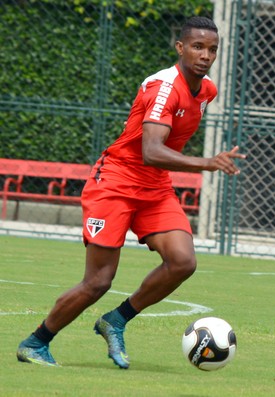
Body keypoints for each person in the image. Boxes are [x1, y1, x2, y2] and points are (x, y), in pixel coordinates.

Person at [17, 16, 246, 369]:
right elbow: (150, 150)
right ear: (180, 47)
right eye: (197, 47)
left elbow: (163, 151)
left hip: (154, 188)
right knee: (98, 281)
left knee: (183, 261)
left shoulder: (207, 91)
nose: (205, 55)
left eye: (212, 49)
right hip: (116, 183)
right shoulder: (163, 87)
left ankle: (117, 319)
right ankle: (36, 342)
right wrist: (208, 162)